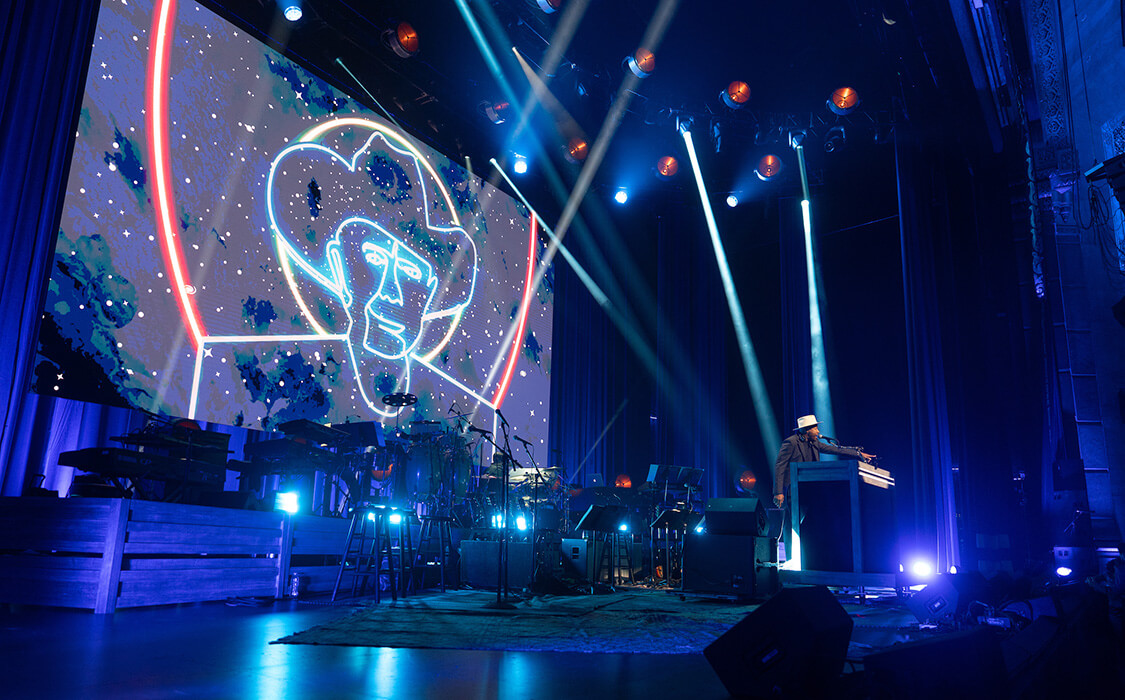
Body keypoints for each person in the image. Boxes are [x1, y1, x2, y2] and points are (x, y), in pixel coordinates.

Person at [772, 414, 876, 508]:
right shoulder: (791, 442)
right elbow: (780, 466)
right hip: (794, 490)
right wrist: (778, 492)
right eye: (815, 428)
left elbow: (835, 449)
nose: (818, 432)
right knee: (794, 522)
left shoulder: (815, 443)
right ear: (806, 430)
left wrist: (858, 454)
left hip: (810, 489)